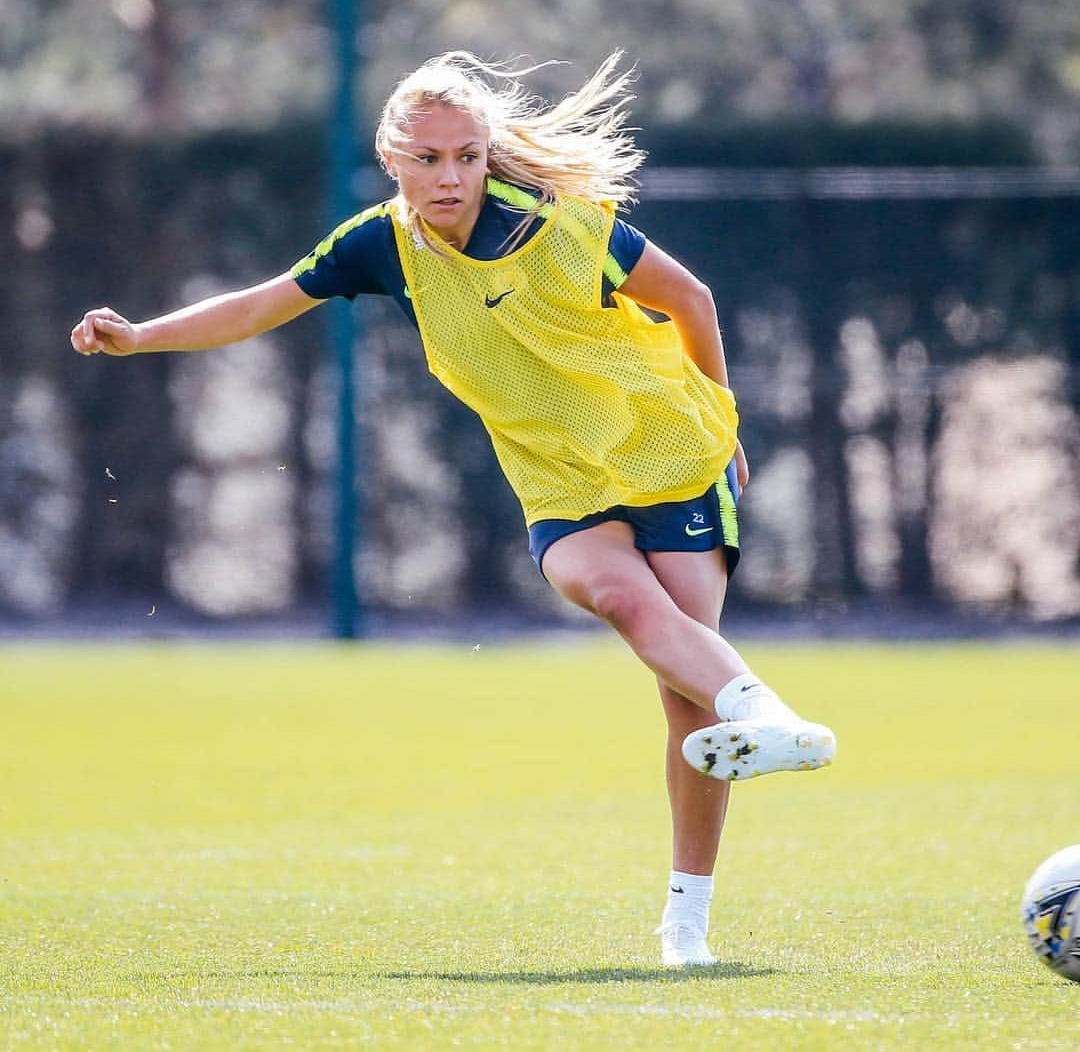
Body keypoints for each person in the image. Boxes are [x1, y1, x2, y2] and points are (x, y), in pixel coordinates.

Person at [70, 51, 836, 968]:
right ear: (392, 159)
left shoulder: (559, 226)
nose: (449, 177)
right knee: (623, 601)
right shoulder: (377, 245)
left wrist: (722, 412)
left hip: (666, 447)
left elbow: (691, 298)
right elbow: (262, 305)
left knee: (687, 709)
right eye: (428, 159)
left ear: (487, 158)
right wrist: (141, 337)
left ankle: (686, 925)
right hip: (560, 478)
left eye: (466, 157)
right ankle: (772, 719)